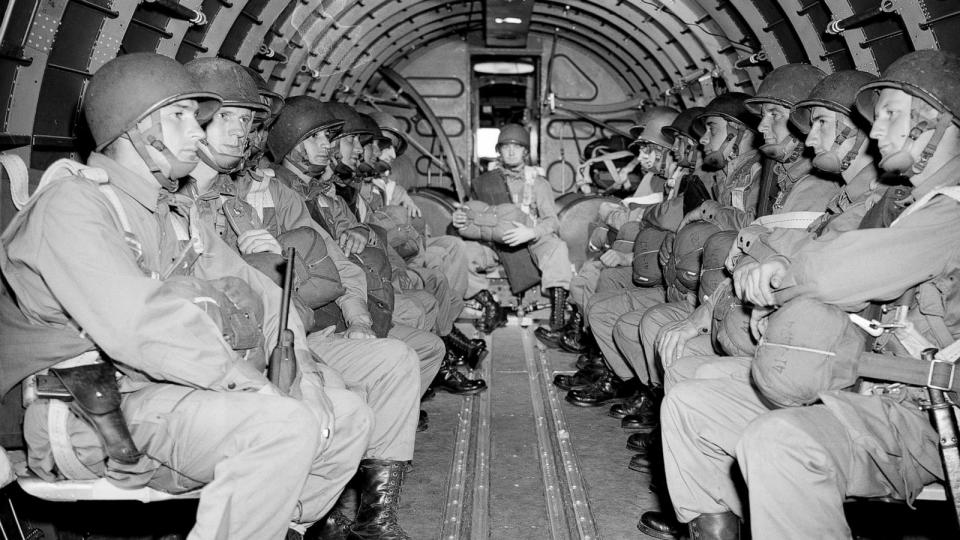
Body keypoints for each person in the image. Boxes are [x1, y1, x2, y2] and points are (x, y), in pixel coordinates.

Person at [0, 53, 370, 540]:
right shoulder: (74, 205)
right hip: (85, 412)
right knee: (280, 426)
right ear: (134, 128)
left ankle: (284, 529)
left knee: (346, 416)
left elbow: (265, 295)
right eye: (181, 118)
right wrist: (255, 386)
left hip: (157, 393)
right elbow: (140, 324)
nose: (198, 133)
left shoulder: (172, 213)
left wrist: (305, 378)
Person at [646, 49, 960, 540]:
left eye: (891, 115)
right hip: (867, 383)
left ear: (937, 123)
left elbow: (838, 270)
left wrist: (779, 277)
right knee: (691, 403)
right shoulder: (905, 203)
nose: (876, 131)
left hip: (928, 413)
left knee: (782, 442)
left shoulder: (950, 213)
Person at [452, 124, 573, 338]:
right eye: (506, 146)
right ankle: (491, 307)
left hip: (529, 242)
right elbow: (474, 214)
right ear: (499, 151)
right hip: (493, 245)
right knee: (460, 251)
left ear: (525, 152)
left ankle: (558, 315)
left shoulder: (539, 184)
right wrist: (460, 217)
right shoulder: (485, 183)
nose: (510, 151)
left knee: (557, 246)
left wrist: (531, 232)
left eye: (516, 147)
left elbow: (552, 222)